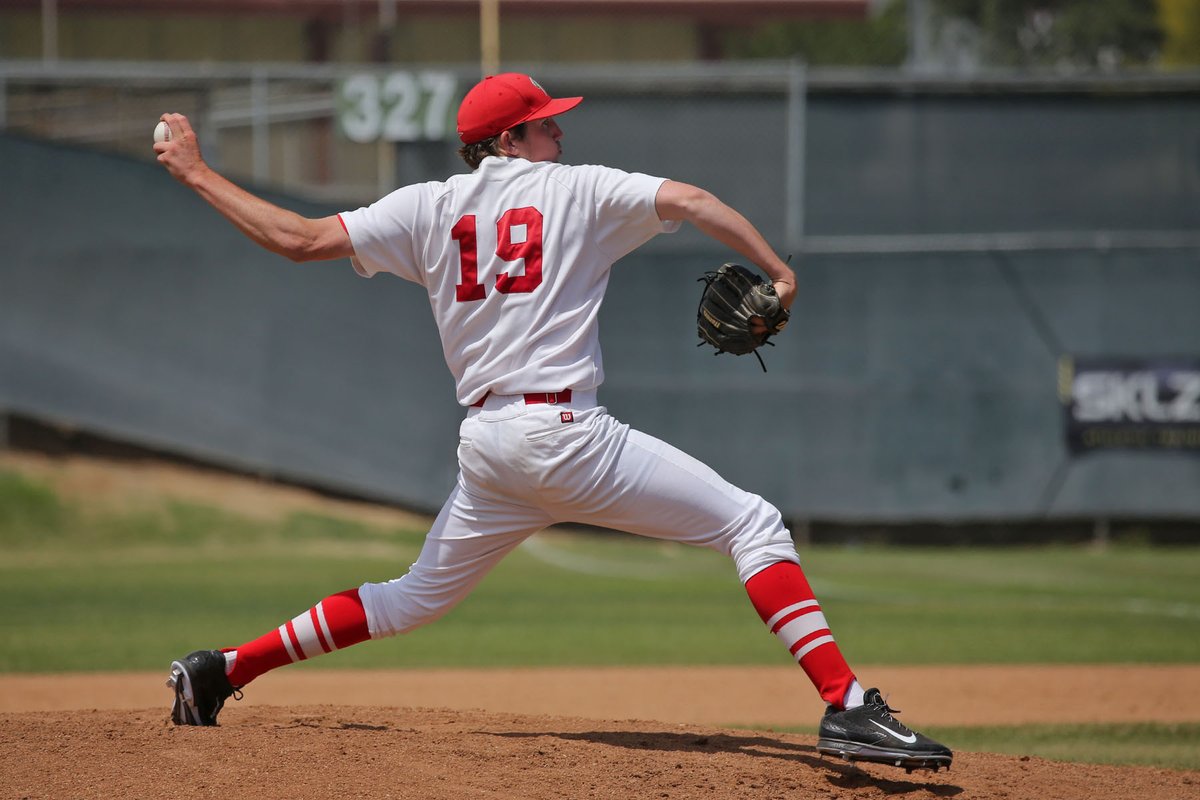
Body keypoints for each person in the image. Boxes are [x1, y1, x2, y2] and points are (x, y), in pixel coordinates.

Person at [154, 72, 951, 772]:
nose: (560, 130)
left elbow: (297, 239)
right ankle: (845, 704)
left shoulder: (425, 207)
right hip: (566, 437)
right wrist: (779, 273)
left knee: (407, 601)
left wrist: (195, 173)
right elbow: (694, 201)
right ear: (510, 139)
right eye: (546, 122)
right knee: (754, 523)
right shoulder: (578, 189)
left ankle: (223, 669)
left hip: (490, 450)